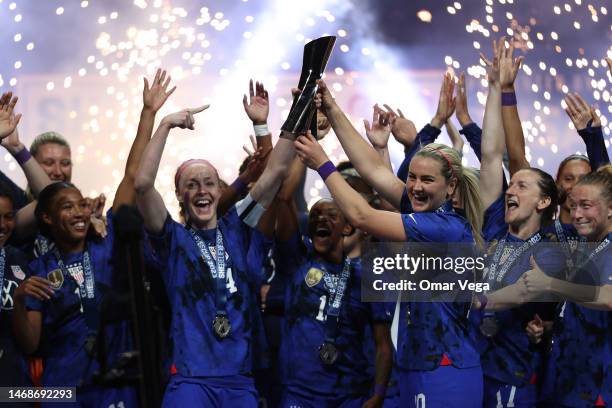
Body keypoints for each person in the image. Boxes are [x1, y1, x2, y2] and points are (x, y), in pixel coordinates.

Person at [295, 77, 484, 408]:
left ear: (451, 187)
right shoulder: (426, 214)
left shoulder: (445, 229)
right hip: (418, 364)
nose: (415, 186)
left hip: (444, 370)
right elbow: (372, 171)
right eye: (411, 177)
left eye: (427, 180)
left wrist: (322, 164)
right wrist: (332, 107)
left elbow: (362, 216)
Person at [12, 69, 176, 407]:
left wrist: (148, 113)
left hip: (118, 385)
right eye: (67, 207)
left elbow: (132, 176)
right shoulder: (39, 269)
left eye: (81, 205)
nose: (78, 212)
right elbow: (30, 345)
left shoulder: (109, 241)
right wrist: (19, 300)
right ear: (46, 217)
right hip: (65, 390)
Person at [133, 81, 297, 407]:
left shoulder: (238, 227)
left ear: (220, 192)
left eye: (209, 182)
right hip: (191, 380)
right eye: (191, 185)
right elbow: (141, 183)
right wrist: (165, 123)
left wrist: (301, 105)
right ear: (180, 196)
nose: (202, 190)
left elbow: (277, 168)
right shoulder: (172, 240)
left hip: (239, 380)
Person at [475, 37, 566, 408]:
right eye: (510, 184)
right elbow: (493, 154)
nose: (510, 188)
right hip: (472, 367)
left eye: (521, 185)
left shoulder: (550, 248)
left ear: (545, 201)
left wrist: (470, 302)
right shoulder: (497, 226)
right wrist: (497, 89)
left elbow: (522, 294)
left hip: (514, 375)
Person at [523, 166, 612, 408]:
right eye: (573, 206)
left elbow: (608, 297)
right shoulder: (587, 247)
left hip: (599, 389)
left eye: (586, 205)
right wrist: (550, 328)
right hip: (568, 382)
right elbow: (585, 313)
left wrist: (549, 283)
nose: (576, 214)